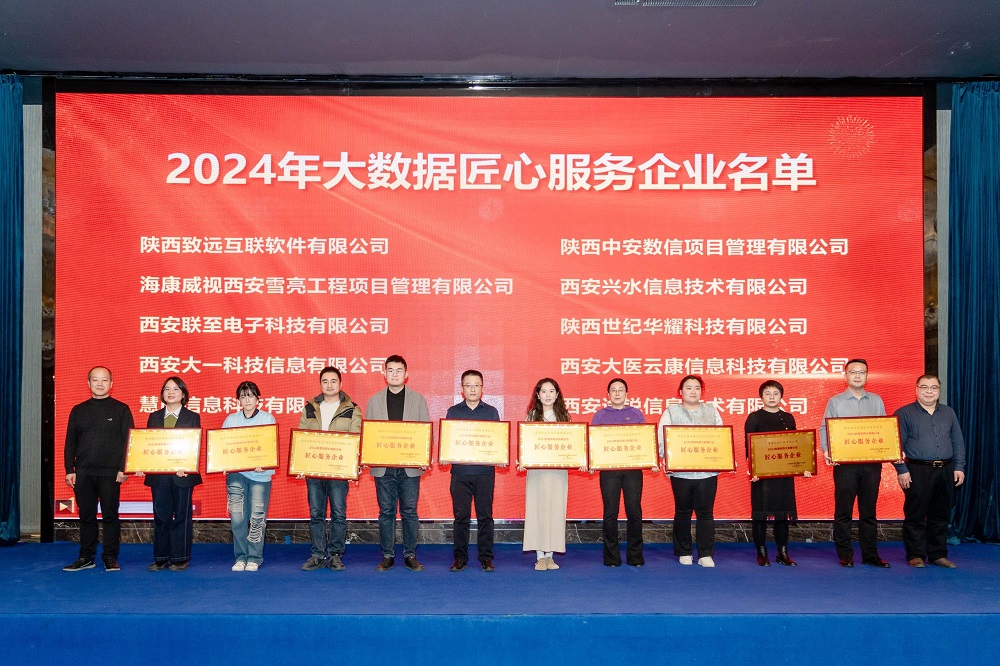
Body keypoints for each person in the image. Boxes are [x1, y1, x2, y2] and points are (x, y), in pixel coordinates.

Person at [818, 358, 890, 568]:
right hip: (845, 465)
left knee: (869, 511)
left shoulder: (876, 400)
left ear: (867, 376)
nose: (857, 376)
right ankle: (845, 554)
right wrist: (827, 449)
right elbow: (825, 428)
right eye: (853, 372)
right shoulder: (835, 401)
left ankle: (870, 555)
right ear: (845, 375)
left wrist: (891, 447)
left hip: (871, 464)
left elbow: (884, 427)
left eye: (862, 372)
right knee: (844, 511)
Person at [63, 366, 135, 572]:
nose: (100, 384)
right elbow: (70, 442)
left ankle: (110, 557)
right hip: (83, 473)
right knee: (86, 517)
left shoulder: (121, 409)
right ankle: (86, 557)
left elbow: (129, 441)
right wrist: (70, 469)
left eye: (104, 380)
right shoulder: (78, 410)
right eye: (95, 380)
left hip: (111, 473)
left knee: (110, 516)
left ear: (111, 384)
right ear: (89, 383)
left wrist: (124, 469)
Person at [365, 355, 431, 572]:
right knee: (386, 512)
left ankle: (410, 554)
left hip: (409, 468)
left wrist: (424, 457)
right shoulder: (374, 401)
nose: (394, 374)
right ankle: (387, 555)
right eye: (390, 370)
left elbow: (425, 432)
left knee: (410, 511)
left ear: (406, 374)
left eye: (399, 370)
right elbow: (369, 435)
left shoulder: (418, 400)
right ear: (384, 374)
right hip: (383, 468)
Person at [893, 374, 966, 568]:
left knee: (940, 515)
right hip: (917, 470)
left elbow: (958, 441)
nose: (929, 391)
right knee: (915, 514)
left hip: (946, 470)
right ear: (916, 389)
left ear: (939, 391)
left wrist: (959, 466)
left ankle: (938, 554)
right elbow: (895, 445)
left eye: (934, 388)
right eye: (924, 387)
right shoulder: (903, 413)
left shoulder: (948, 413)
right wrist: (901, 469)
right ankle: (915, 555)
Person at [297, 366, 362, 572]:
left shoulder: (352, 408)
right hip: (314, 470)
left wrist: (352, 466)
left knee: (338, 513)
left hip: (338, 470)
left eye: (333, 381)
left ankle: (335, 554)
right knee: (316, 513)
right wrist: (300, 464)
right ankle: (317, 554)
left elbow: (356, 439)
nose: (329, 385)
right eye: (325, 381)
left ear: (340, 384)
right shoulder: (309, 408)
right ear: (320, 385)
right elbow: (301, 438)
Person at [657, 375, 722, 567]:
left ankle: (705, 554)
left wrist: (723, 456)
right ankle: (684, 551)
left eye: (697, 388)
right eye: (688, 388)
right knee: (683, 512)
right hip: (681, 472)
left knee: (706, 513)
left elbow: (721, 437)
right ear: (680, 392)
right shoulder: (671, 412)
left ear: (702, 391)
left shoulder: (712, 411)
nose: (693, 391)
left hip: (707, 472)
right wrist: (667, 458)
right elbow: (662, 439)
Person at [142, 376, 202, 572]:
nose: (170, 392)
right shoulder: (154, 417)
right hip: (159, 475)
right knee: (161, 516)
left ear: (183, 394)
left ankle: (179, 558)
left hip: (183, 474)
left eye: (175, 389)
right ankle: (161, 558)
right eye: (167, 389)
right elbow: (148, 445)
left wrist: (187, 465)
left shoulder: (192, 416)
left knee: (182, 516)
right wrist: (142, 464)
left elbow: (194, 445)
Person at [744, 380, 805, 567]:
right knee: (760, 514)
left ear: (781, 396)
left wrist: (802, 466)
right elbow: (749, 447)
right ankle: (761, 552)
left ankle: (782, 552)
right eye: (767, 393)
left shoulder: (788, 418)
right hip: (761, 475)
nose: (772, 397)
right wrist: (753, 469)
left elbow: (796, 444)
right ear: (761, 396)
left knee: (782, 514)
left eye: (776, 393)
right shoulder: (754, 418)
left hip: (783, 473)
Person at [445, 370, 501, 572]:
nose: (473, 389)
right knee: (461, 517)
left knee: (485, 516)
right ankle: (460, 558)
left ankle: (486, 557)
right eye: (468, 385)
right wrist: (445, 454)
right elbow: (448, 441)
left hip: (484, 474)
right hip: (460, 474)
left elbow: (497, 441)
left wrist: (500, 456)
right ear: (462, 389)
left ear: (482, 388)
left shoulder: (491, 412)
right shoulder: (453, 412)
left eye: (477, 385)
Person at [590, 378, 650, 567]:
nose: (617, 393)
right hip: (609, 471)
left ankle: (635, 556)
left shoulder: (636, 414)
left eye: (621, 390)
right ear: (608, 394)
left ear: (626, 393)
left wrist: (651, 459)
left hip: (632, 470)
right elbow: (593, 443)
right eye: (613, 390)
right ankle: (611, 557)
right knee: (610, 513)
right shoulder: (600, 415)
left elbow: (644, 441)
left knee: (634, 512)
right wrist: (591, 461)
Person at [223, 380, 276, 572]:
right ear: (238, 399)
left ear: (257, 399)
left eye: (250, 396)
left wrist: (265, 462)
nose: (247, 400)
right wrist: (222, 463)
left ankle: (254, 557)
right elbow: (223, 447)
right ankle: (240, 557)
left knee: (257, 518)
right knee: (237, 518)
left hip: (260, 476)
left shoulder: (267, 418)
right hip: (236, 474)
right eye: (243, 396)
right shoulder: (231, 420)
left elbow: (270, 447)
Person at [521, 378, 572, 571]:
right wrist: (522, 459)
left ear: (557, 395)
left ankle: (550, 555)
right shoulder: (532, 416)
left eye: (551, 391)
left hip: (558, 472)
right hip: (537, 471)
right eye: (544, 391)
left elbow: (572, 444)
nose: (548, 395)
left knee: (555, 511)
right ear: (538, 394)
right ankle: (539, 556)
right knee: (537, 510)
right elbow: (526, 443)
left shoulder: (564, 417)